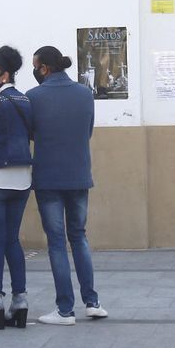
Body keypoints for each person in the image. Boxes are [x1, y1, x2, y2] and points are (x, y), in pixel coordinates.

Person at [28, 45, 106, 325]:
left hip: (48, 177)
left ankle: (64, 310)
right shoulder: (85, 93)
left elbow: (31, 134)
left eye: (35, 67)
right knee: (79, 236)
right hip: (78, 174)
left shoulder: (33, 96)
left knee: (57, 243)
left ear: (44, 68)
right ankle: (92, 302)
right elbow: (88, 131)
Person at [0, 45, 33, 329]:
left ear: (4, 75)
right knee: (12, 240)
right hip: (22, 175)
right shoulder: (25, 100)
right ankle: (20, 299)